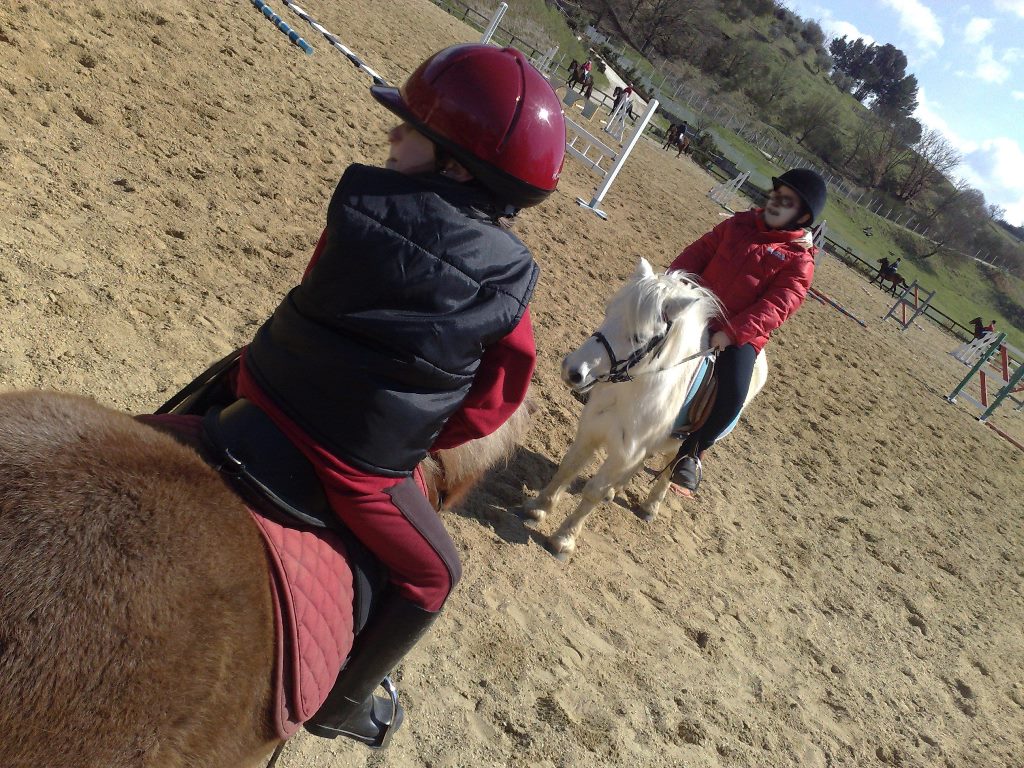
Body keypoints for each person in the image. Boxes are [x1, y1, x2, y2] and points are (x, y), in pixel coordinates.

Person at [233, 44, 565, 746]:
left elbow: (317, 284)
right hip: (355, 467)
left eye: (408, 130)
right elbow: (493, 403)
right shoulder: (508, 282)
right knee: (436, 576)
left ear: (454, 163)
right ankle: (338, 704)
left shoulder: (361, 198)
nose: (391, 137)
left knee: (218, 382)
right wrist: (417, 440)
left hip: (259, 384)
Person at [666, 168, 827, 494]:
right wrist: (672, 281)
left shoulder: (799, 260)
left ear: (803, 215)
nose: (774, 203)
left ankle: (692, 452)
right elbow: (700, 251)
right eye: (774, 196)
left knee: (734, 392)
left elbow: (778, 306)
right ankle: (601, 380)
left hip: (738, 332)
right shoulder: (737, 224)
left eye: (786, 201)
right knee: (639, 323)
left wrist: (733, 333)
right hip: (697, 304)